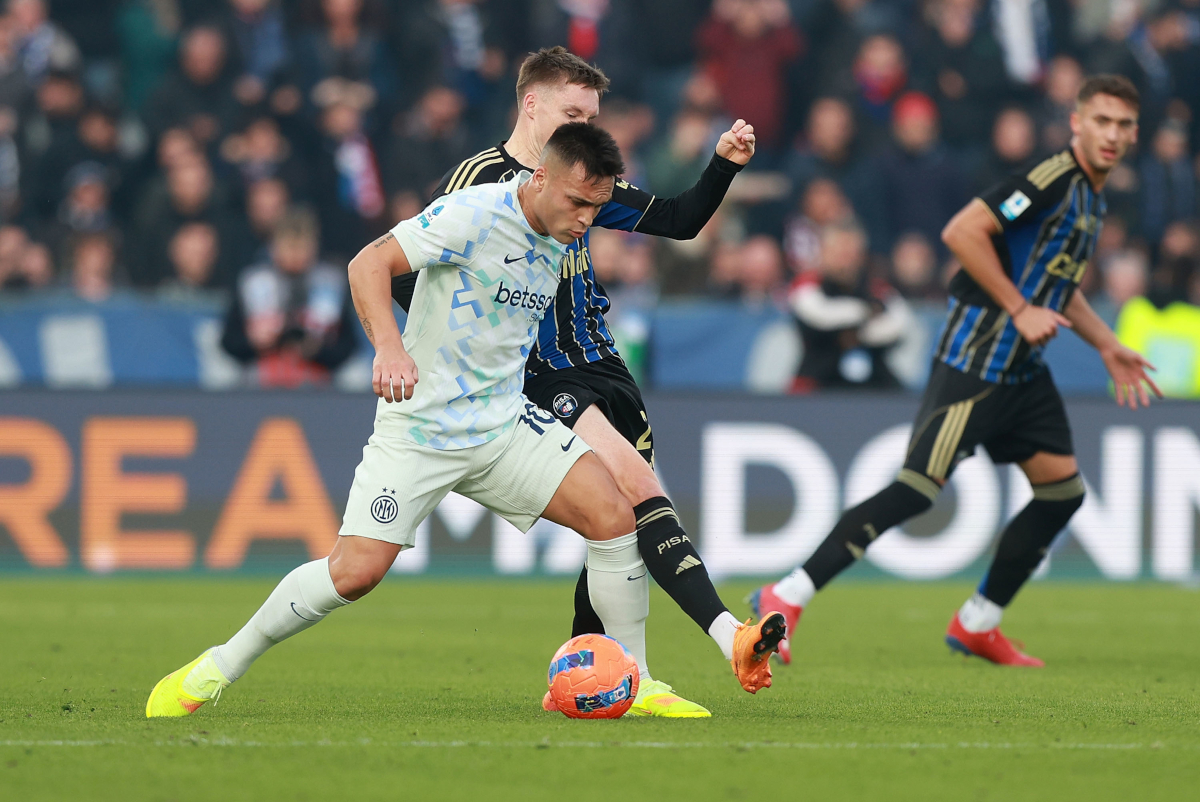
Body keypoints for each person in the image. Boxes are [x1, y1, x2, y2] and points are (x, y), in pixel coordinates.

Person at [145, 123, 785, 719]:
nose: (586, 221)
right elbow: (368, 264)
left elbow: (674, 219)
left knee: (615, 513)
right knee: (354, 573)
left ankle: (635, 680)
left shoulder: (561, 230)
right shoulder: (474, 214)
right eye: (577, 204)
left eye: (595, 208)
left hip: (502, 425)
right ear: (539, 178)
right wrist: (391, 348)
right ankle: (216, 668)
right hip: (421, 432)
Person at [391, 46, 763, 717]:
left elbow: (679, 221)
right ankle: (724, 634)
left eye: (590, 116)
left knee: (613, 526)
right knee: (635, 490)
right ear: (530, 105)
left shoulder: (583, 175)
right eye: (570, 113)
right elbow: (404, 270)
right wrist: (450, 346)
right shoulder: (478, 178)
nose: (581, 128)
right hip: (538, 374)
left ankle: (585, 680)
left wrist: (722, 166)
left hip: (602, 363)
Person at [750, 74, 1162, 667]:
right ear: (1077, 122)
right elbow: (962, 232)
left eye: (1124, 125)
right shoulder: (1049, 180)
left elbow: (1057, 283)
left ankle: (978, 622)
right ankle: (784, 595)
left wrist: (1106, 344)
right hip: (977, 360)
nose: (1113, 135)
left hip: (1023, 371)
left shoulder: (1093, 197)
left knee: (1061, 492)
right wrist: (1018, 309)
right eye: (1102, 120)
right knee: (917, 489)